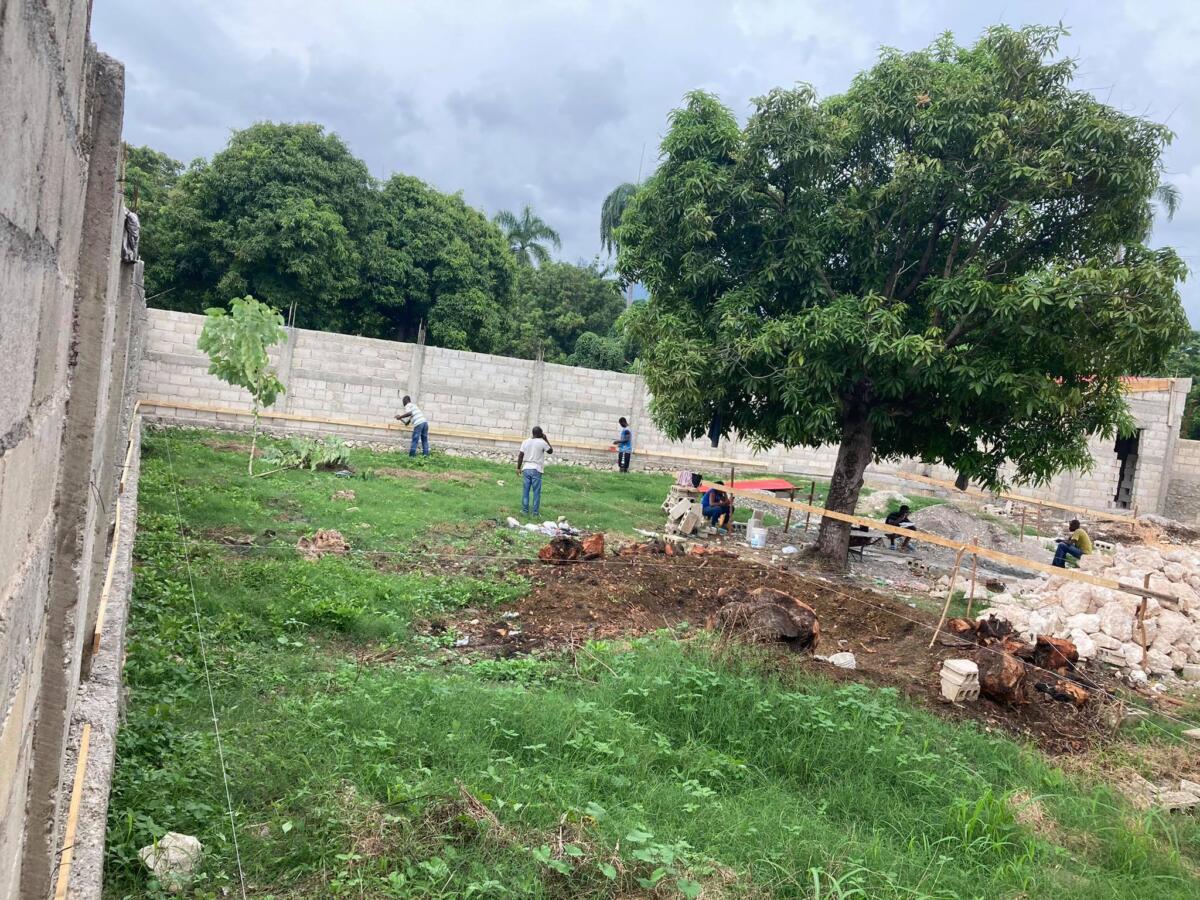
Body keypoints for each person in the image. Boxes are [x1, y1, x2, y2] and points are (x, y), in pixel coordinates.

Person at [517, 426, 553, 516]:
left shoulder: (525, 441)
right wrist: (546, 439)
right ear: (540, 433)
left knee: (526, 491)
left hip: (526, 468)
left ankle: (525, 511)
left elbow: (520, 455)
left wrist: (518, 468)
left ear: (533, 433)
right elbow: (550, 451)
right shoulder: (542, 442)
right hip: (536, 469)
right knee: (536, 492)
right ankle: (535, 513)